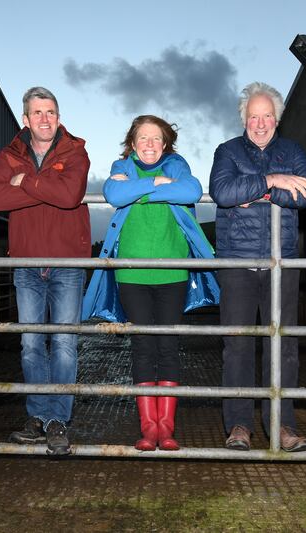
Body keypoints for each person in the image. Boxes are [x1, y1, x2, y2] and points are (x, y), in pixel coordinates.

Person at [82, 115, 219, 451]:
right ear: (132, 143)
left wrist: (140, 192)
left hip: (173, 271)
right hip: (131, 273)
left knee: (169, 346)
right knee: (143, 347)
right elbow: (114, 193)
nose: (149, 144)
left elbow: (190, 190)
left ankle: (166, 429)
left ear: (165, 143)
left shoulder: (176, 165)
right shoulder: (122, 166)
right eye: (143, 138)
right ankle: (148, 430)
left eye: (156, 138)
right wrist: (155, 184)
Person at [209, 82, 306, 452]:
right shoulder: (227, 151)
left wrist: (255, 192)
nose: (260, 123)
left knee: (284, 347)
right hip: (238, 263)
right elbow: (223, 192)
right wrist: (274, 181)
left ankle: (281, 425)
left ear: (277, 118)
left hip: (281, 262)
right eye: (253, 116)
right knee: (238, 347)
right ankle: (239, 425)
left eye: (267, 116)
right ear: (244, 118)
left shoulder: (292, 150)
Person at [0, 87, 90, 456]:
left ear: (58, 117)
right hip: (26, 263)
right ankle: (38, 417)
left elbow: (70, 195)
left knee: (63, 344)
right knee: (31, 345)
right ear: (25, 120)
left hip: (67, 263)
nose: (45, 118)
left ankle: (59, 419)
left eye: (51, 112)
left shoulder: (75, 151)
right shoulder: (9, 154)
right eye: (37, 113)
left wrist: (25, 182)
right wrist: (48, 187)